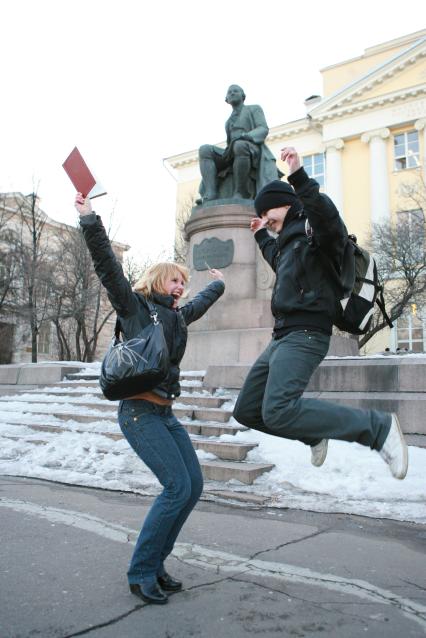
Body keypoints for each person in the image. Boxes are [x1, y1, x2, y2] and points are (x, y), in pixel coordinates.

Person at [75, 193, 225, 605]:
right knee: (177, 487)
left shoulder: (176, 316)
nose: (180, 287)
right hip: (139, 412)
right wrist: (89, 219)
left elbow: (200, 304)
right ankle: (141, 572)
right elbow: (107, 267)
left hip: (166, 414)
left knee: (192, 487)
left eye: (182, 282)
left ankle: (157, 564)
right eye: (174, 280)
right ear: (158, 281)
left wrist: (218, 284)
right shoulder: (135, 307)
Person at [233, 147, 408, 481]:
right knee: (248, 410)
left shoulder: (318, 230)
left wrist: (298, 176)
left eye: (271, 218)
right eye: (266, 223)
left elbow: (326, 216)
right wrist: (260, 233)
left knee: (279, 409)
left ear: (287, 202)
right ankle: (312, 433)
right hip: (282, 336)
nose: (270, 225)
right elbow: (277, 258)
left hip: (307, 333)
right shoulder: (286, 241)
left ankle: (378, 428)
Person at [197, 84, 280, 203]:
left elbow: (263, 129)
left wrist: (247, 136)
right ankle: (211, 193)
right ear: (226, 99)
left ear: (243, 96)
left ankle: (241, 192)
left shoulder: (254, 108)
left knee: (239, 145)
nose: (232, 93)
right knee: (204, 149)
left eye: (235, 91)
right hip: (231, 151)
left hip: (252, 148)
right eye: (229, 92)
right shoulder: (228, 122)